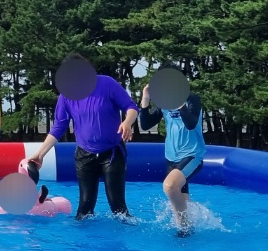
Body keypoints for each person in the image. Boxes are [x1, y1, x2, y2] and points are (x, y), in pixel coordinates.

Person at [30, 61, 138, 219]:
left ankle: (126, 237)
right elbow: (58, 127)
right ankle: (83, 243)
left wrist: (127, 122)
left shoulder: (107, 83)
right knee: (84, 210)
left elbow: (131, 107)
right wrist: (40, 154)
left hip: (112, 153)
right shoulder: (66, 96)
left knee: (117, 206)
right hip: (84, 155)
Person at [138, 82, 207, 233]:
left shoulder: (192, 99)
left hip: (192, 155)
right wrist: (145, 99)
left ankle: (185, 229)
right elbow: (145, 124)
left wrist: (180, 104)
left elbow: (190, 124)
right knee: (181, 199)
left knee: (170, 186)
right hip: (171, 157)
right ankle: (186, 233)